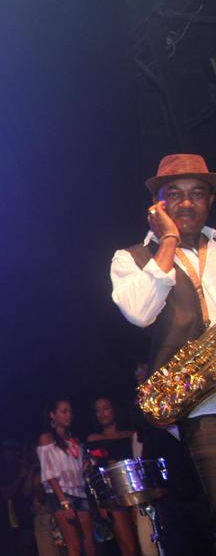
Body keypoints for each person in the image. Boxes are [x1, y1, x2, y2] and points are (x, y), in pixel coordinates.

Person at [111, 153, 216, 547]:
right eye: (174, 194)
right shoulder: (131, 258)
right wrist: (168, 240)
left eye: (197, 193)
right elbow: (140, 313)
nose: (187, 203)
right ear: (157, 204)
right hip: (201, 410)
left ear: (210, 200)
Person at [37, 399, 96, 556]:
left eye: (70, 411)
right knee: (74, 547)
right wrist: (64, 502)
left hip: (80, 493)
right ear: (52, 415)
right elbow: (49, 473)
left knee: (90, 546)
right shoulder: (46, 438)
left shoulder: (74, 440)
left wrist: (86, 466)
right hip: (60, 495)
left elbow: (78, 470)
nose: (69, 415)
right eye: (64, 411)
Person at [85, 397, 138, 556]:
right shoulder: (93, 439)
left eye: (105, 408)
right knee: (128, 548)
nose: (102, 413)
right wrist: (100, 502)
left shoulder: (130, 435)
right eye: (98, 410)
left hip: (136, 492)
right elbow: (94, 472)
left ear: (114, 409)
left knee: (146, 540)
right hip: (112, 497)